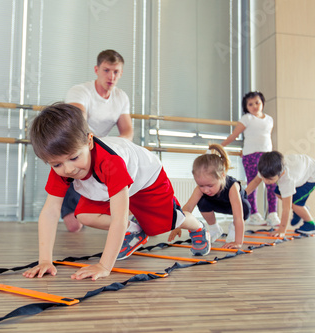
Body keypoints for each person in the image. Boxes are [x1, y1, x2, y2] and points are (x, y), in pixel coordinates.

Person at [23, 103, 210, 281]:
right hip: (107, 185)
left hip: (146, 179)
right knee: (84, 215)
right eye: (57, 164)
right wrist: (45, 260)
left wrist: (104, 266)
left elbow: (118, 217)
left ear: (89, 141)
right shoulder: (63, 166)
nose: (68, 169)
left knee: (162, 225)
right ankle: (135, 230)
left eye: (73, 158)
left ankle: (198, 227)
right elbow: (50, 211)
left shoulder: (111, 163)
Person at [61, 49, 133, 233]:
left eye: (116, 72)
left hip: (100, 154)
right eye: (106, 70)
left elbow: (127, 132)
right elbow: (79, 125)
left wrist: (112, 146)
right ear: (96, 69)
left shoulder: (121, 97)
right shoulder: (80, 91)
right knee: (74, 226)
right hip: (76, 153)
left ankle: (129, 225)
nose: (111, 76)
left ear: (121, 73)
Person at [169, 144, 251, 249]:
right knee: (201, 200)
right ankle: (214, 228)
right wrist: (178, 224)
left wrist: (238, 242)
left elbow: (238, 217)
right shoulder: (201, 190)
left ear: (222, 176)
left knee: (245, 207)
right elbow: (188, 207)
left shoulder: (232, 187)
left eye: (210, 185)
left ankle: (233, 228)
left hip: (237, 209)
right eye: (201, 185)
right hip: (217, 205)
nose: (205, 189)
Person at [220, 91, 278, 226]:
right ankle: (254, 214)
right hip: (251, 156)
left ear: (262, 103)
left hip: (267, 156)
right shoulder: (246, 118)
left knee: (272, 183)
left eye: (257, 102)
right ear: (246, 107)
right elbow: (234, 135)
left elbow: (265, 137)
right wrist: (220, 146)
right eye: (250, 104)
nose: (255, 106)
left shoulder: (269, 119)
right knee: (253, 184)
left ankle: (272, 214)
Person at [245, 151, 315, 237]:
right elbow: (255, 181)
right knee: (278, 193)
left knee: (295, 204)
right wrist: (243, 195)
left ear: (281, 174)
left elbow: (286, 208)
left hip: (312, 175)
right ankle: (300, 211)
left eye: (270, 179)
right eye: (264, 178)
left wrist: (282, 230)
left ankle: (311, 225)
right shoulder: (266, 168)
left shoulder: (287, 179)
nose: (266, 181)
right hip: (302, 169)